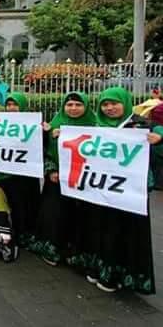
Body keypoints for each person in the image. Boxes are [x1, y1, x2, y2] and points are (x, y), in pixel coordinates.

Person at [68, 87, 158, 294]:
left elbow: (158, 134)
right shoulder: (94, 126)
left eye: (114, 103)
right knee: (98, 229)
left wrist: (158, 138)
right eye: (105, 104)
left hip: (128, 193)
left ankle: (117, 276)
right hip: (98, 189)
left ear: (124, 103)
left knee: (122, 233)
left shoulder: (140, 124)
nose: (109, 108)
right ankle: (97, 268)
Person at [29, 91, 97, 267]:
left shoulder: (97, 126)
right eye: (69, 105)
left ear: (86, 106)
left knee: (81, 218)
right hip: (57, 181)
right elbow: (42, 152)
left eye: (78, 105)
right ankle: (53, 249)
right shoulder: (55, 125)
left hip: (84, 183)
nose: (73, 109)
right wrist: (51, 170)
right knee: (55, 215)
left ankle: (76, 253)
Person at [0, 92, 41, 249]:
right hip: (8, 171)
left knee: (25, 204)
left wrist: (45, 131)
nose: (11, 108)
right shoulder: (0, 122)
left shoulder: (32, 123)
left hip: (25, 174)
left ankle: (27, 233)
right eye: (8, 105)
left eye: (15, 105)